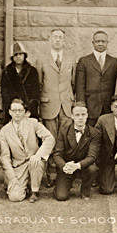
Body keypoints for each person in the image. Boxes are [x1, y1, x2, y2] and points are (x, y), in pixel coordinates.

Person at [0, 99, 56, 202]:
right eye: (14, 110)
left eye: (20, 110)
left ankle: (35, 191)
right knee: (15, 197)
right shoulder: (4, 131)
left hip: (34, 161)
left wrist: (38, 155)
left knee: (36, 162)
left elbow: (49, 138)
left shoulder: (33, 123)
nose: (17, 113)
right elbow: (5, 157)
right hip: (18, 165)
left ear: (24, 111)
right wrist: (12, 178)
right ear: (10, 112)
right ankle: (25, 185)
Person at [37, 29, 76, 157]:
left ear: (64, 41)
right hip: (49, 105)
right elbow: (39, 83)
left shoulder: (71, 59)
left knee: (66, 139)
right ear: (50, 40)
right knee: (50, 138)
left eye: (60, 37)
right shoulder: (42, 59)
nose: (58, 40)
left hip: (66, 106)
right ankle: (51, 173)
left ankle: (64, 172)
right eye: (55, 37)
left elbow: (74, 82)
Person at [52, 102, 100, 201]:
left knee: (93, 168)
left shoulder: (93, 133)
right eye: (77, 115)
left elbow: (92, 156)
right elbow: (57, 154)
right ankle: (64, 184)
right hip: (67, 166)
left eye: (83, 114)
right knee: (61, 196)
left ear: (87, 115)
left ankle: (85, 190)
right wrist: (64, 166)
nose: (80, 118)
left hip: (82, 166)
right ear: (72, 116)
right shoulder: (64, 131)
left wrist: (77, 166)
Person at [75, 31, 117, 127]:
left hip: (108, 107)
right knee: (91, 135)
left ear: (107, 43)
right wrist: (81, 106)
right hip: (90, 106)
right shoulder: (84, 61)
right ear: (93, 43)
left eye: (103, 41)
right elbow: (80, 85)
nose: (100, 43)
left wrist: (116, 105)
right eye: (97, 41)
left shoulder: (114, 62)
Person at [1, 42, 41, 122]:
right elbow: (5, 93)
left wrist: (29, 111)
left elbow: (36, 93)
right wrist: (14, 111)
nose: (18, 57)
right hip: (13, 113)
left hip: (29, 114)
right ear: (12, 57)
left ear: (24, 55)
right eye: (16, 55)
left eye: (20, 54)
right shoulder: (6, 72)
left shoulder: (32, 71)